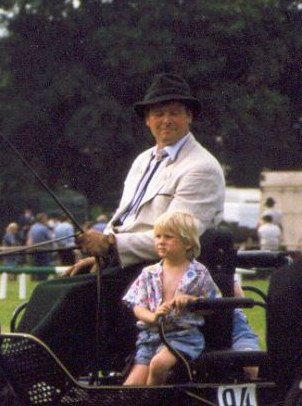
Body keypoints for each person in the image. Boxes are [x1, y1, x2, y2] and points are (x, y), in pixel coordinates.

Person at [73, 73, 224, 273]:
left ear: (189, 116)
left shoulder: (202, 168)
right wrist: (100, 255)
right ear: (147, 120)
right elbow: (124, 218)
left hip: (160, 271)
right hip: (123, 264)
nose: (166, 120)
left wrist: (110, 244)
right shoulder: (142, 160)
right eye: (159, 114)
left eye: (174, 113)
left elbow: (177, 237)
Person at [121, 211, 218, 385]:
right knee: (131, 386)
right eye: (157, 236)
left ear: (188, 243)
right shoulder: (148, 273)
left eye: (168, 237)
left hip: (183, 336)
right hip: (150, 337)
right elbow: (137, 306)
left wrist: (192, 301)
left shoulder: (199, 272)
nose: (161, 241)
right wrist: (153, 317)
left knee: (158, 365)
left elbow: (215, 303)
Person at [26, 212, 53, 279]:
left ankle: (35, 278)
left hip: (33, 250)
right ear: (43, 219)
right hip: (43, 250)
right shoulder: (43, 228)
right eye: (46, 219)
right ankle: (43, 278)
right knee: (44, 266)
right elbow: (50, 240)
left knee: (35, 265)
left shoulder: (32, 227)